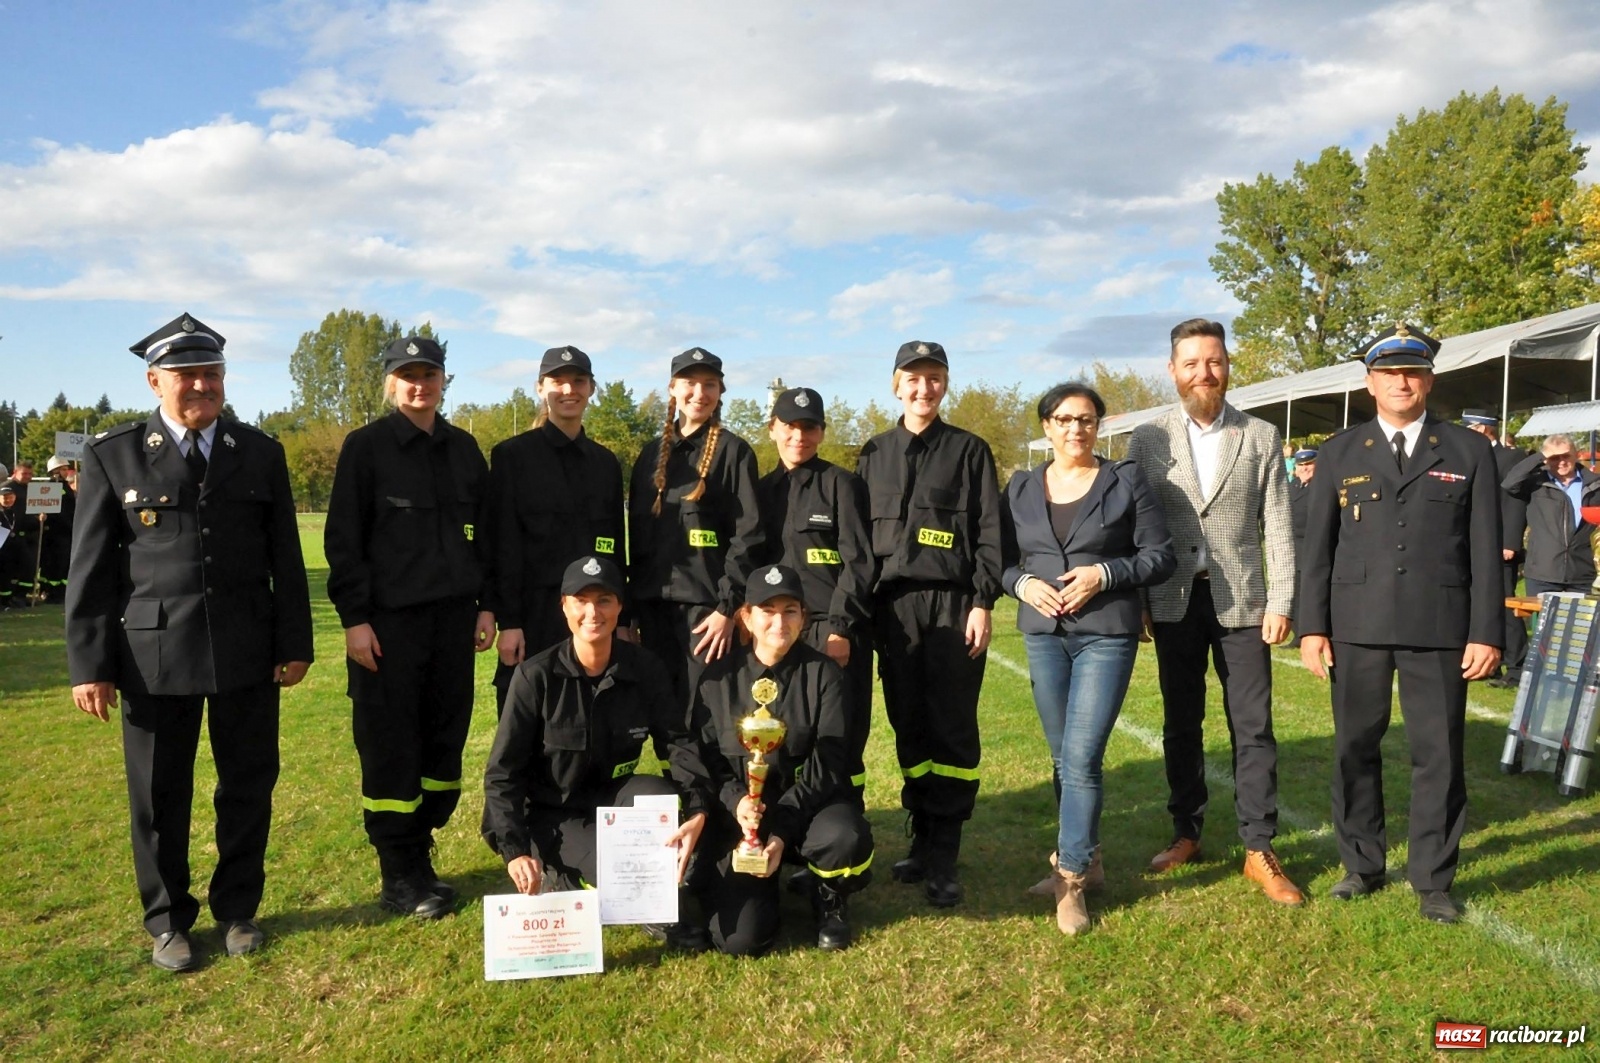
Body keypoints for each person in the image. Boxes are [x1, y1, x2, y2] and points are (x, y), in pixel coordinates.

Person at [65, 313, 313, 970]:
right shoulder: (112, 454)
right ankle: (168, 919)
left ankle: (239, 908)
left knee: (247, 784)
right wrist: (90, 664)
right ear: (154, 381)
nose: (202, 385)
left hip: (245, 649)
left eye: (212, 374)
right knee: (157, 793)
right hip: (152, 656)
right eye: (186, 375)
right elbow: (90, 571)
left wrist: (295, 642)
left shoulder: (259, 451)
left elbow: (285, 558)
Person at [1299, 324, 1502, 923]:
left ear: (1429, 380)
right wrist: (1314, 627)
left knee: (1437, 752)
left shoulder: (1468, 450)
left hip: (1440, 625)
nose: (1401, 383)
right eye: (1389, 373)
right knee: (1354, 747)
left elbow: (1486, 549)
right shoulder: (1339, 452)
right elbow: (1319, 550)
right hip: (1356, 624)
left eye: (1412, 372)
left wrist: (1486, 631)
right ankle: (1362, 864)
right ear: (1370, 382)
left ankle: (1433, 879)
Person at [1126, 318, 1303, 906]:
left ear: (1228, 366)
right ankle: (1186, 831)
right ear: (1173, 371)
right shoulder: (1147, 440)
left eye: (1216, 361)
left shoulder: (1259, 435)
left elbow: (1277, 524)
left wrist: (1281, 600)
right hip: (1173, 600)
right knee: (1182, 723)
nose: (1206, 372)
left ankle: (1259, 845)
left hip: (1244, 603)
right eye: (1193, 362)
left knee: (1252, 726)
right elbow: (1135, 529)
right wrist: (1141, 603)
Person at [325, 335, 495, 920]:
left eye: (430, 373)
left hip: (453, 624)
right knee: (391, 749)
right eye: (407, 374)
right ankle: (399, 872)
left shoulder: (466, 450)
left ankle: (421, 852)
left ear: (445, 380)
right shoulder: (366, 448)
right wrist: (355, 621)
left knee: (444, 745)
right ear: (390, 384)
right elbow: (343, 543)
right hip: (388, 630)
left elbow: (488, 539)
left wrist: (488, 606)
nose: (419, 384)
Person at [1005, 383, 1174, 935]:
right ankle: (1090, 857)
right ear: (1046, 427)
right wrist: (1023, 583)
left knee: (1080, 757)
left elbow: (1160, 555)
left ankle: (1071, 877)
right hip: (1043, 634)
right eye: (1063, 419)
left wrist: (1106, 574)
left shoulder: (1125, 481)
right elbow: (998, 562)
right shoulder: (1022, 487)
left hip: (1106, 633)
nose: (1075, 429)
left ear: (1099, 425)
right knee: (1061, 760)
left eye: (1086, 419)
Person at [481, 555, 709, 940]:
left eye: (604, 600)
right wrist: (515, 848)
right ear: (565, 606)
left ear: (619, 606)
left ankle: (646, 896)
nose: (593, 612)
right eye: (581, 601)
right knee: (614, 870)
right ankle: (562, 875)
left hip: (612, 799)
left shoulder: (644, 668)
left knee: (662, 798)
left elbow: (678, 743)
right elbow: (503, 773)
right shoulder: (535, 676)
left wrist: (698, 808)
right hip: (554, 811)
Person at [857, 340, 1006, 908]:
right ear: (896, 385)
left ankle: (946, 851)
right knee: (909, 725)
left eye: (935, 378)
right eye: (913, 379)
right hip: (893, 611)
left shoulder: (970, 450)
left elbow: (990, 531)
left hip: (952, 604)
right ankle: (920, 837)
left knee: (951, 727)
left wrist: (982, 601)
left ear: (945, 385)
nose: (924, 389)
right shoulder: (874, 452)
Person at [686, 564, 874, 954]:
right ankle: (751, 886)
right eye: (767, 610)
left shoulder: (826, 675)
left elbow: (829, 763)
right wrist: (738, 801)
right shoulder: (717, 679)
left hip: (806, 811)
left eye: (790, 610)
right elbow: (708, 761)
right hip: (744, 817)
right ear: (746, 617)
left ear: (804, 617)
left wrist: (782, 830)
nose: (779, 621)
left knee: (844, 837)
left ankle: (829, 896)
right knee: (740, 941)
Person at [485, 345, 625, 712]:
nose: (568, 390)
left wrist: (621, 618)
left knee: (592, 717)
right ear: (540, 388)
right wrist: (510, 622)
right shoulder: (511, 457)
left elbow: (613, 547)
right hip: (533, 618)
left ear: (591, 388)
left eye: (578, 381)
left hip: (592, 618)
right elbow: (502, 544)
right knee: (526, 723)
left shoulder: (605, 463)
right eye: (557, 382)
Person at [627, 348, 764, 714]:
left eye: (710, 384)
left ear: (720, 392)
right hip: (653, 610)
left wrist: (726, 609)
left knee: (706, 716)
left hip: (708, 615)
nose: (699, 393)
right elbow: (638, 541)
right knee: (662, 713)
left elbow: (747, 536)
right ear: (673, 388)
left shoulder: (735, 453)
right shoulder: (649, 455)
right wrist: (631, 613)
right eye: (690, 383)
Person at [755, 387, 875, 808]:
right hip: (778, 633)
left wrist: (841, 629)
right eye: (789, 427)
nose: (798, 437)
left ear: (822, 433)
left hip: (832, 632)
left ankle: (843, 826)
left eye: (809, 428)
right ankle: (787, 831)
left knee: (840, 734)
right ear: (773, 429)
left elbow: (859, 562)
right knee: (783, 734)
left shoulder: (843, 485)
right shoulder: (760, 491)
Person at [1461, 411, 1531, 688]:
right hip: (1471, 543)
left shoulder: (1510, 457)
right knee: (1477, 603)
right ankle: (1488, 662)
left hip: (1499, 545)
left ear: (1482, 428)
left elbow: (1514, 500)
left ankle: (1516, 666)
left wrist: (1510, 541)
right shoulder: (1469, 455)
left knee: (1505, 604)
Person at [1501, 433, 1600, 597]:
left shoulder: (1594, 484)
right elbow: (1509, 483)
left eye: (1566, 456)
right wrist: (1541, 456)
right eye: (1555, 457)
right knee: (1544, 623)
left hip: (1582, 571)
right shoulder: (1536, 483)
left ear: (1576, 454)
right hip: (1543, 571)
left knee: (1579, 622)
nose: (1561, 461)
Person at [1287, 448, 1317, 649]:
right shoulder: (1292, 487)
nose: (1305, 469)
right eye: (1301, 465)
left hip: (1314, 548)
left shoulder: (1323, 486)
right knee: (1295, 593)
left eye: (1309, 464)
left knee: (1311, 593)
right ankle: (1298, 634)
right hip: (1293, 549)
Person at [39, 454, 77, 603]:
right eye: (63, 469)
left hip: (66, 531)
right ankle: (51, 592)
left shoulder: (65, 486)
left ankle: (61, 591)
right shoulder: (51, 486)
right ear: (55, 470)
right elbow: (57, 512)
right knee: (53, 564)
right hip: (56, 532)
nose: (66, 472)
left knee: (64, 563)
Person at [0, 478, 30, 608]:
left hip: (13, 548)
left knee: (10, 575)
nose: (8, 500)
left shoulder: (14, 511)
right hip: (2, 549)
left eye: (10, 497)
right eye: (4, 498)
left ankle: (8, 600)